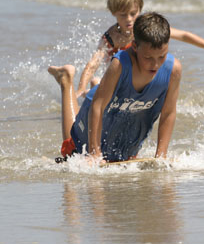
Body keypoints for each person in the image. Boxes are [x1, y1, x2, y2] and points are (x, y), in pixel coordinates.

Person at [48, 12, 181, 163]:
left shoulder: (173, 70)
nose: (155, 64)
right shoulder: (120, 64)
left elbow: (168, 113)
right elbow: (97, 106)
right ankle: (66, 81)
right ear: (135, 46)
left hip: (123, 129)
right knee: (71, 151)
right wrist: (94, 153)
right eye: (148, 58)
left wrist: (161, 155)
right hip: (94, 112)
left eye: (161, 56)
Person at [76, 0, 204, 98]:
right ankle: (92, 94)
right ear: (113, 13)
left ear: (140, 9)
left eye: (133, 13)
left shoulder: (146, 29)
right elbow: (93, 64)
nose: (129, 19)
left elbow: (183, 35)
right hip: (119, 78)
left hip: (142, 78)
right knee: (96, 81)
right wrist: (80, 88)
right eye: (123, 15)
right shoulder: (110, 37)